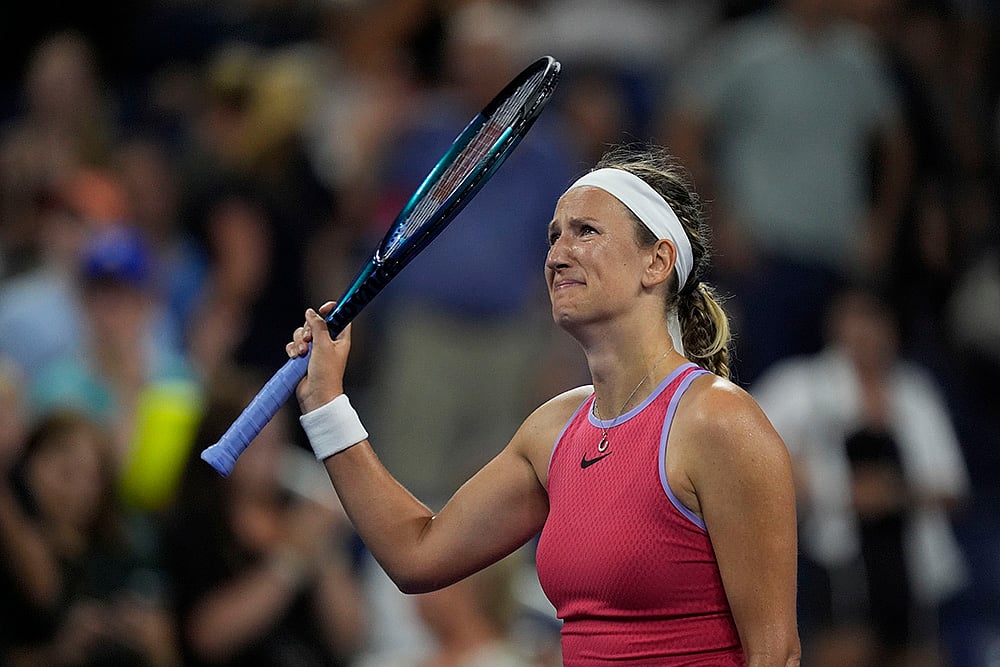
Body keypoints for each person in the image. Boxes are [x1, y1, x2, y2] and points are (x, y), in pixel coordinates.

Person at [284, 145, 801, 665]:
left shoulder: (719, 422)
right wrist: (327, 403)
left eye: (586, 232)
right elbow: (416, 555)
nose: (557, 253)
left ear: (657, 261)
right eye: (554, 235)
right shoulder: (552, 430)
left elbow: (775, 655)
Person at [752, 285, 970, 666]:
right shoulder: (799, 385)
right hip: (838, 564)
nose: (866, 332)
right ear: (836, 324)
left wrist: (888, 493)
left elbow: (952, 487)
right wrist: (835, 489)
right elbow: (746, 457)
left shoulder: (915, 392)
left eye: (876, 320)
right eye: (856, 319)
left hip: (908, 564)